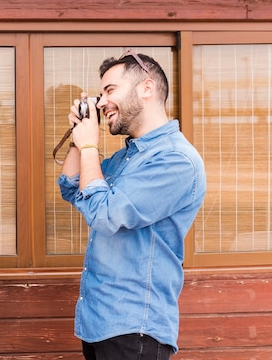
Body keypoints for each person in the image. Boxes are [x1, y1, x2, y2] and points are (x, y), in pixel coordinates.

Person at [57, 50, 206, 360]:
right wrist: (78, 139)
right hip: (101, 321)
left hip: (136, 327)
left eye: (110, 91)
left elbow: (104, 214)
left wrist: (89, 146)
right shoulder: (129, 156)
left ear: (146, 88)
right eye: (99, 95)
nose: (101, 103)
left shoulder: (175, 160)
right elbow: (72, 188)